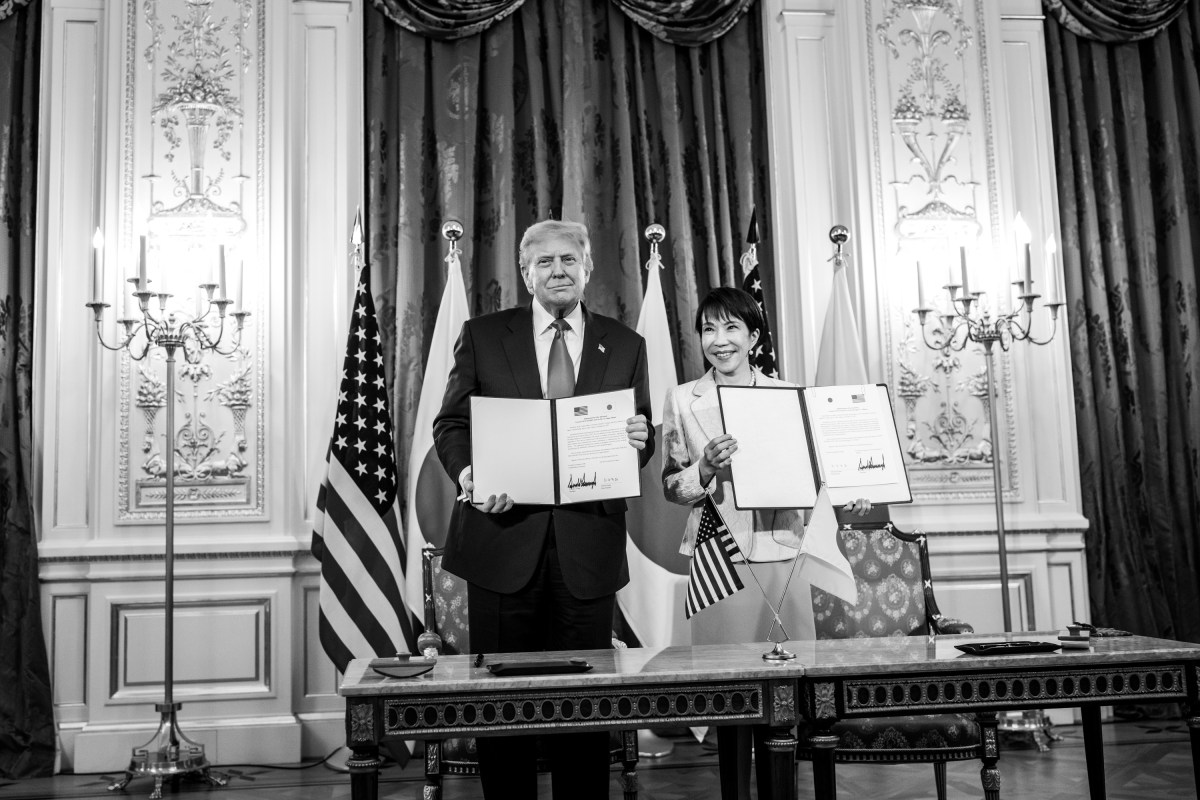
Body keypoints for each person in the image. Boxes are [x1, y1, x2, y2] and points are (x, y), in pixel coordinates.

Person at [433, 219, 653, 800]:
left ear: (588, 268)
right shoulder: (483, 335)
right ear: (525, 272)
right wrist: (470, 475)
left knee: (584, 705)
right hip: (502, 540)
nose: (558, 271)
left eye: (569, 260)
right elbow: (451, 424)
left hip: (588, 547)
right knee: (502, 707)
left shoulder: (625, 343)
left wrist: (639, 436)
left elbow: (640, 438)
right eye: (545, 262)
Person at [660, 286, 869, 800]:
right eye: (709, 328)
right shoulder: (683, 398)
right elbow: (671, 485)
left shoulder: (790, 395)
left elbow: (818, 475)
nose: (719, 339)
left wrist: (853, 496)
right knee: (730, 698)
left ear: (753, 336)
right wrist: (705, 466)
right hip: (719, 561)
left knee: (786, 700)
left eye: (731, 327)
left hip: (784, 553)